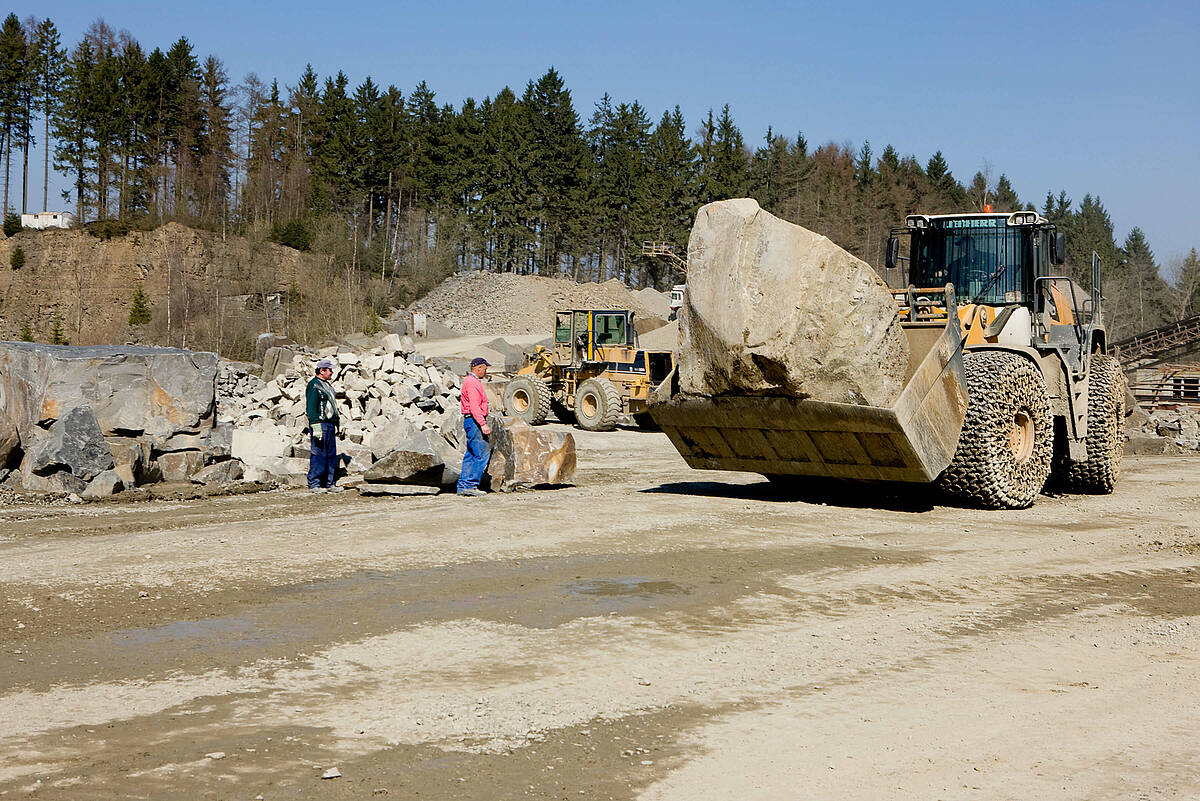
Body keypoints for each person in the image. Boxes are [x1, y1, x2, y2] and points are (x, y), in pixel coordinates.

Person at [306, 358, 343, 492]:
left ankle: (329, 483)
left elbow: (333, 405)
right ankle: (315, 483)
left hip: (329, 424)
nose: (332, 372)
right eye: (329, 370)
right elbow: (311, 406)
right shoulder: (314, 385)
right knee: (319, 453)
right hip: (320, 423)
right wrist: (315, 424)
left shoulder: (327, 385)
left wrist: (338, 421)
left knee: (330, 454)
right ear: (322, 371)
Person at [457, 356, 492, 497]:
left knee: (470, 454)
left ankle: (463, 486)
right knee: (481, 453)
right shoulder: (472, 383)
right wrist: (483, 424)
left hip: (471, 421)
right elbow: (474, 406)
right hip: (475, 421)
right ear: (478, 368)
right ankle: (471, 485)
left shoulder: (470, 381)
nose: (486, 371)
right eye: (485, 368)